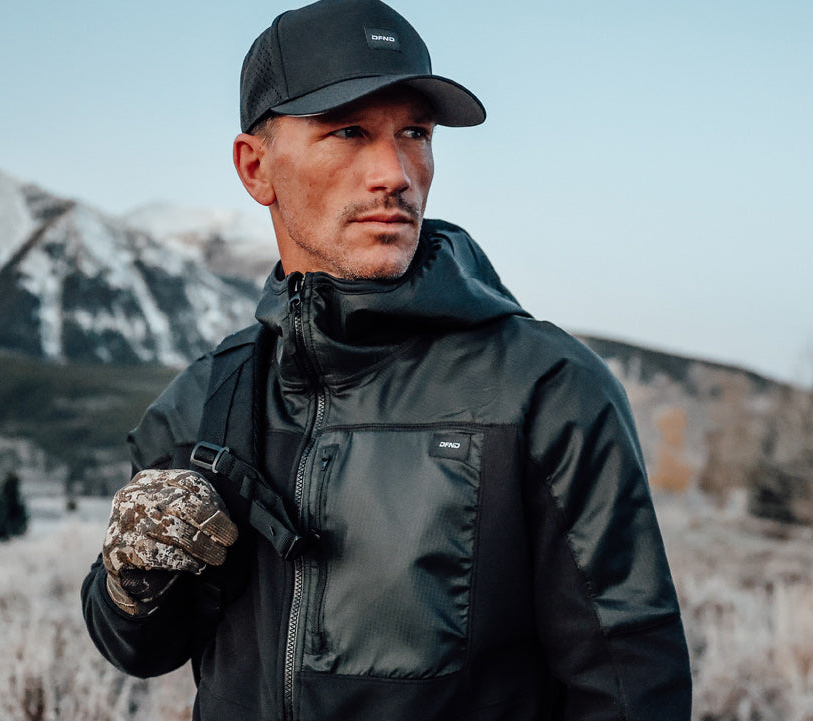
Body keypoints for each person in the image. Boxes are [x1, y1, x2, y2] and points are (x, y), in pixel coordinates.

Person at [80, 1, 691, 718]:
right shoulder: (205, 401)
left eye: (415, 134)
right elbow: (139, 647)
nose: (395, 174)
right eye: (349, 132)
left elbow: (629, 685)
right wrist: (131, 582)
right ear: (256, 167)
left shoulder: (547, 389)